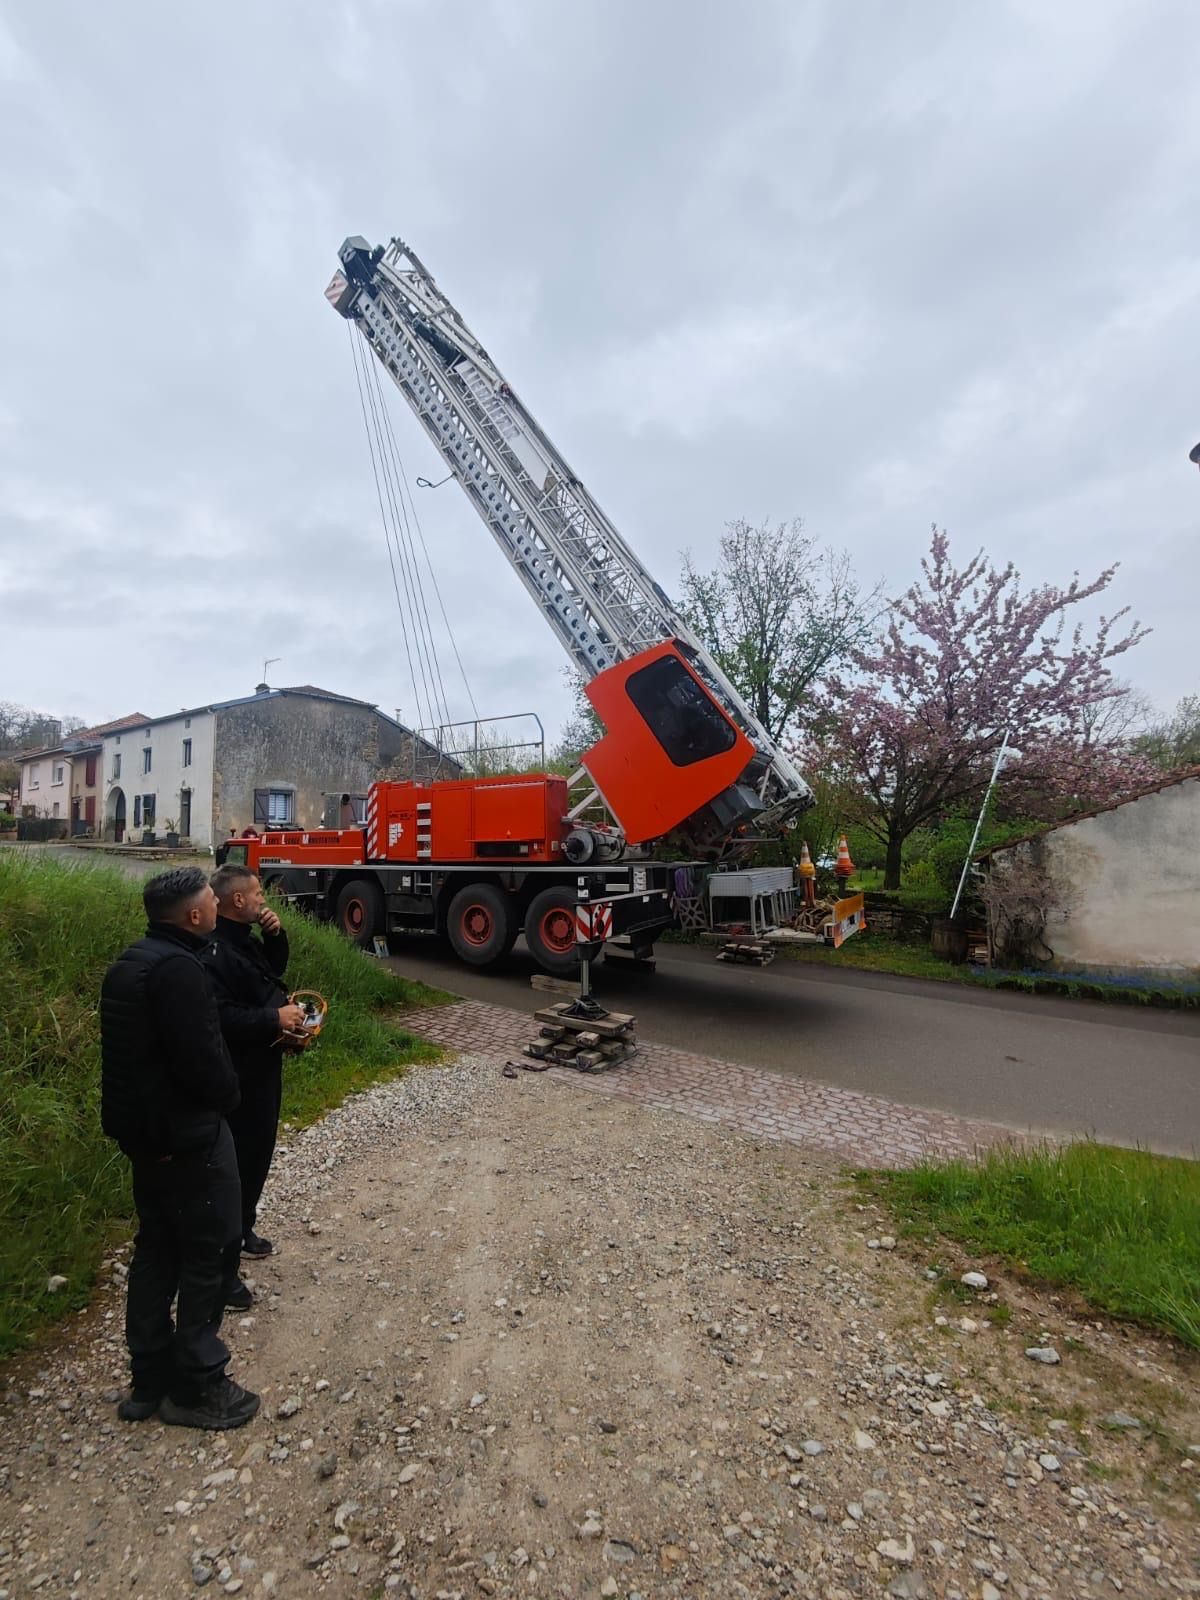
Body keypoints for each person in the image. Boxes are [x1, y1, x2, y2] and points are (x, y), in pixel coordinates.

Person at [99, 866, 260, 1430]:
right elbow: (205, 1062)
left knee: (156, 1249)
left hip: (145, 1141)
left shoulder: (129, 964)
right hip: (189, 1138)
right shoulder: (182, 973)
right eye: (210, 902)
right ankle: (196, 1385)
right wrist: (230, 1097)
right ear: (195, 916)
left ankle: (147, 1379)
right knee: (208, 1253)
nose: (216, 906)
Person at [203, 864, 304, 1308]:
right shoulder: (212, 951)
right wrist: (272, 1018)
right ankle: (221, 1268)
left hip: (264, 1062)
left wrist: (276, 935)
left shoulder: (244, 939)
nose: (264, 899)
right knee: (236, 1160)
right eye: (259, 894)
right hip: (238, 1071)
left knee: (259, 1150)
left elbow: (271, 973)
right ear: (237, 900)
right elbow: (221, 1016)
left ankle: (244, 1228)